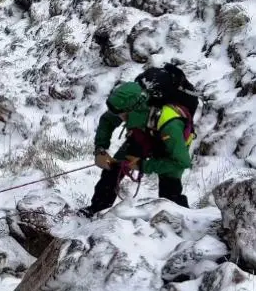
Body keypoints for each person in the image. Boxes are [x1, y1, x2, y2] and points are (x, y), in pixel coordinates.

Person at [79, 79, 195, 216]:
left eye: (122, 115)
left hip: (170, 146)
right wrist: (100, 149)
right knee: (113, 168)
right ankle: (97, 209)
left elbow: (182, 162)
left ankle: (183, 220)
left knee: (170, 191)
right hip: (142, 135)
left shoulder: (171, 125)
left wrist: (142, 165)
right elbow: (108, 119)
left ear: (134, 110)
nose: (120, 118)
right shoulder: (128, 107)